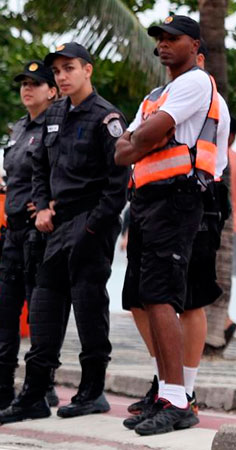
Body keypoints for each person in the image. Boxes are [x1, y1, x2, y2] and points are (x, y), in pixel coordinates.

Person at [0, 42, 129, 424]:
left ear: (88, 70)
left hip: (90, 225)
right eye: (58, 71)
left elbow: (118, 184)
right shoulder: (54, 114)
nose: (62, 76)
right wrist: (43, 206)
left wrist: (91, 226)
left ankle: (92, 392)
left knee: (88, 308)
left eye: (69, 68)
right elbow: (40, 166)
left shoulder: (107, 118)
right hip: (54, 226)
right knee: (45, 308)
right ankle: (35, 394)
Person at [116, 17, 225, 435]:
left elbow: (143, 139)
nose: (162, 45)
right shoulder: (155, 95)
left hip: (188, 196)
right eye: (158, 39)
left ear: (196, 45)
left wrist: (144, 138)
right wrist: (143, 139)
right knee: (144, 297)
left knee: (178, 297)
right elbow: (123, 150)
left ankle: (180, 395)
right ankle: (169, 388)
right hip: (150, 199)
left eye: (171, 38)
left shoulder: (195, 83)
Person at [0, 60, 60, 415]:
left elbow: (65, 172)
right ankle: (1, 383)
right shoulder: (21, 127)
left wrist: (51, 206)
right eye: (23, 83)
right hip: (13, 229)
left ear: (52, 91)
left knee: (40, 312)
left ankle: (43, 384)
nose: (27, 89)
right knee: (5, 308)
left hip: (41, 231)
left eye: (35, 84)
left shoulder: (58, 126)